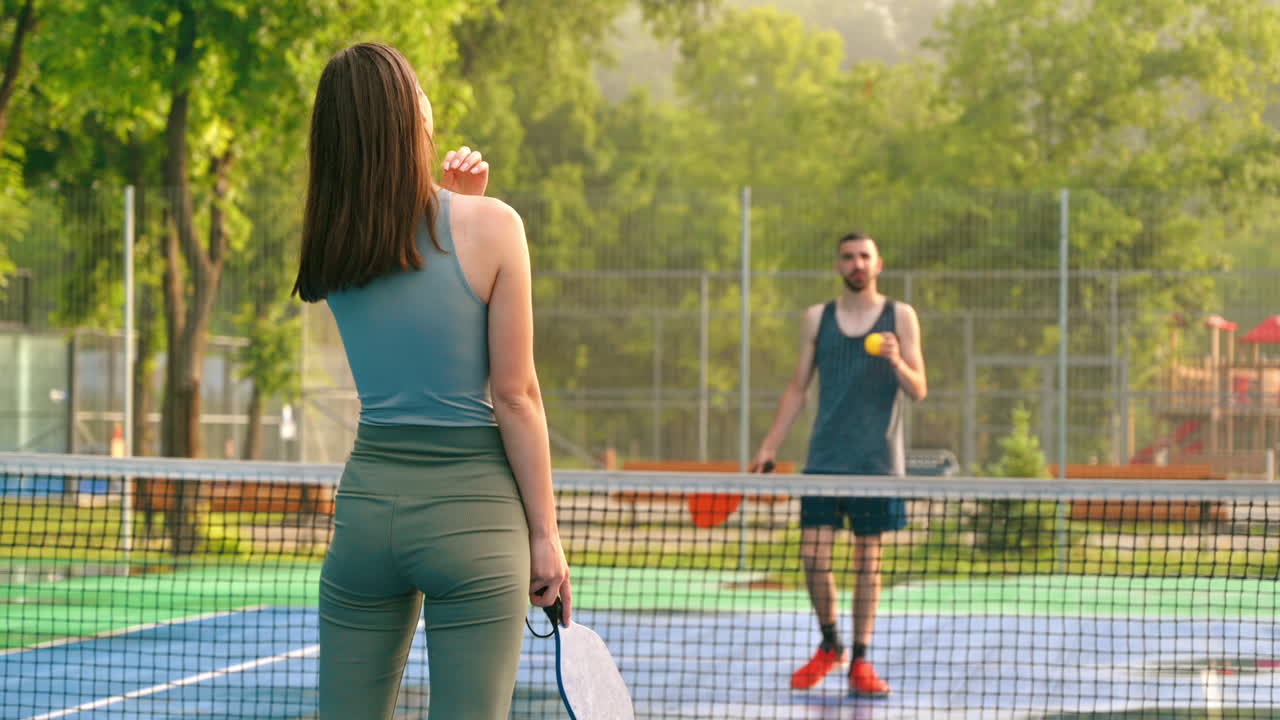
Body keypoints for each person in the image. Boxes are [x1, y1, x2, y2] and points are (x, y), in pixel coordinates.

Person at [292, 42, 570, 720]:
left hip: (366, 519)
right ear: (410, 114)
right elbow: (515, 395)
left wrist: (455, 208)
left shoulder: (331, 243)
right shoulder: (494, 226)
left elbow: (411, 280)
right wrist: (546, 535)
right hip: (475, 520)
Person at [751, 231, 927, 698]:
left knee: (868, 564)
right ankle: (831, 643)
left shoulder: (900, 317)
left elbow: (919, 388)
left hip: (877, 465)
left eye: (864, 256)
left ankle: (862, 661)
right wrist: (769, 446)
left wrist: (896, 360)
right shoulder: (818, 318)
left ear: (878, 264)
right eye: (848, 257)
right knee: (812, 557)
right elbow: (796, 389)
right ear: (838, 265)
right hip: (824, 461)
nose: (857, 264)